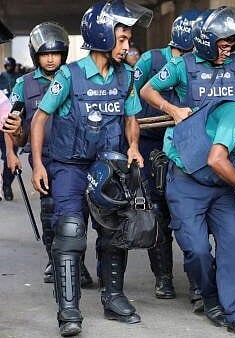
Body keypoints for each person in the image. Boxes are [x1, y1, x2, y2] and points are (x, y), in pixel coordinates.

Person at [29, 1, 152, 336]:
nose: (127, 46)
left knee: (114, 232)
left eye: (128, 39)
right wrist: (39, 163)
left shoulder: (126, 76)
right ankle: (68, 310)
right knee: (70, 231)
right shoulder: (70, 75)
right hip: (68, 166)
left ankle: (113, 297)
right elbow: (40, 118)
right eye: (122, 38)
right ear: (101, 35)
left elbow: (131, 118)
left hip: (108, 167)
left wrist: (135, 147)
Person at [139, 6, 235, 337]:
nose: (229, 48)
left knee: (234, 245)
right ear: (206, 41)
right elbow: (147, 91)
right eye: (223, 43)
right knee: (196, 250)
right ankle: (208, 297)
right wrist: (173, 109)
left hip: (223, 175)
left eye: (233, 42)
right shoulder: (182, 65)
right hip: (186, 174)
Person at [1, 21, 95, 287]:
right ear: (35, 55)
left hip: (76, 158)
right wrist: (11, 153)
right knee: (51, 214)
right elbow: (12, 122)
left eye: (55, 53)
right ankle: (57, 263)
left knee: (78, 214)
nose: (51, 59)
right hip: (45, 160)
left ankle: (72, 263)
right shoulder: (24, 85)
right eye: (45, 54)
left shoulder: (75, 77)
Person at [133, 8, 201, 303]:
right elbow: (131, 98)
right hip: (152, 143)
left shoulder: (201, 64)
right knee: (157, 210)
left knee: (187, 210)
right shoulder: (152, 60)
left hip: (188, 143)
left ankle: (198, 279)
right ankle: (163, 277)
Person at [0, 56, 18, 200]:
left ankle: (7, 184)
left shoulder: (19, 79)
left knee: (10, 157)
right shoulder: (2, 77)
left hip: (8, 124)